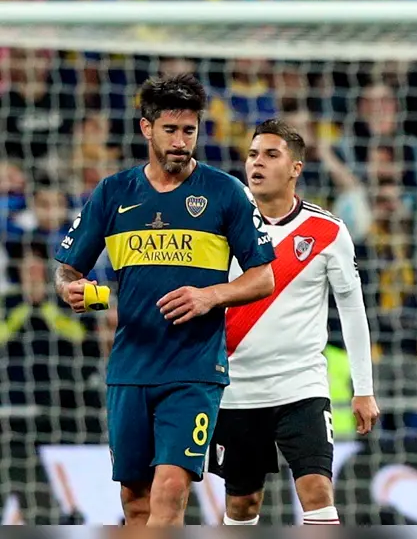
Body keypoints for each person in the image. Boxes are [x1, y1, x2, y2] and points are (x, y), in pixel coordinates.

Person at [54, 73, 276, 527]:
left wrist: (210, 295)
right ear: (146, 129)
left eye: (189, 131)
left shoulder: (225, 192)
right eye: (171, 130)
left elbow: (263, 278)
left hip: (194, 370)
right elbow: (68, 269)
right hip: (131, 367)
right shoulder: (114, 193)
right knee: (135, 501)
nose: (180, 141)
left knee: (170, 489)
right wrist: (75, 293)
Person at [208, 118, 380, 526]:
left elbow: (352, 309)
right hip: (236, 387)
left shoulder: (327, 231)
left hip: (301, 385)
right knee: (243, 504)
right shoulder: (220, 227)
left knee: (318, 492)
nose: (257, 163)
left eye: (271, 155)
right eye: (252, 155)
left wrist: (364, 389)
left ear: (295, 168)